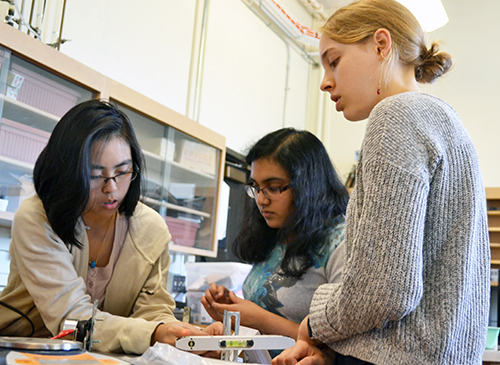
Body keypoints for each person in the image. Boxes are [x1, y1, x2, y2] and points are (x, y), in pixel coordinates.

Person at [273, 1, 490, 365]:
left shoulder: (395, 116)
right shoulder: (445, 121)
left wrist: (315, 322)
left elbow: (385, 291)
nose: (325, 81)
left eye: (334, 61)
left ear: (380, 45)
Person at [0, 100, 221, 355]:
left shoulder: (151, 229)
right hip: (22, 349)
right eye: (95, 175)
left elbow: (153, 311)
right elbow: (72, 318)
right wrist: (154, 334)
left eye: (123, 171)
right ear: (67, 171)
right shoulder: (38, 217)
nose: (111, 188)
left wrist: (188, 336)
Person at [201, 128, 349, 347]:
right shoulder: (277, 234)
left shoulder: (341, 242)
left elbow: (343, 345)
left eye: (272, 188)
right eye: (256, 187)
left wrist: (259, 319)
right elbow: (262, 334)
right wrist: (233, 316)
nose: (261, 200)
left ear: (308, 186)